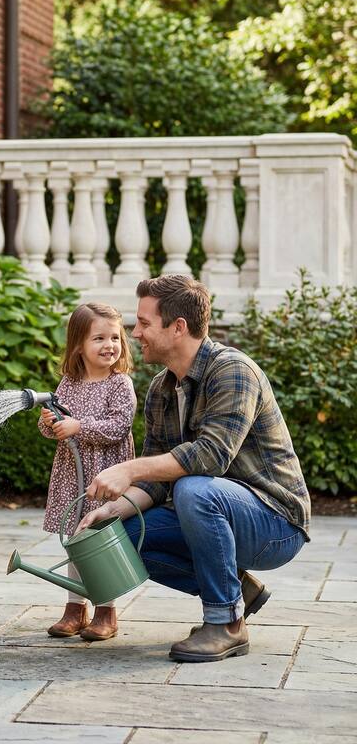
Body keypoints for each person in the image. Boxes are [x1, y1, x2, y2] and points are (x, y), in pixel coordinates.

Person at [77, 274, 310, 663]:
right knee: (127, 534)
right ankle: (237, 590)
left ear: (178, 327)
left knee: (195, 488)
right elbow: (155, 482)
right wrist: (113, 509)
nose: (135, 334)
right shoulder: (160, 389)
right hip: (218, 510)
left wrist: (129, 469)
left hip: (276, 522)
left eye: (145, 323)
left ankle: (226, 623)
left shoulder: (233, 371)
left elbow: (210, 457)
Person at [38, 302, 137, 641]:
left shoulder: (119, 384)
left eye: (115, 337)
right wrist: (50, 424)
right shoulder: (69, 382)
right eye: (99, 338)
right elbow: (52, 426)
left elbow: (118, 427)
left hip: (104, 473)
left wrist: (78, 427)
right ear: (78, 344)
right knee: (75, 540)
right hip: (71, 472)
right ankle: (75, 607)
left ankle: (106, 610)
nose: (110, 345)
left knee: (99, 540)